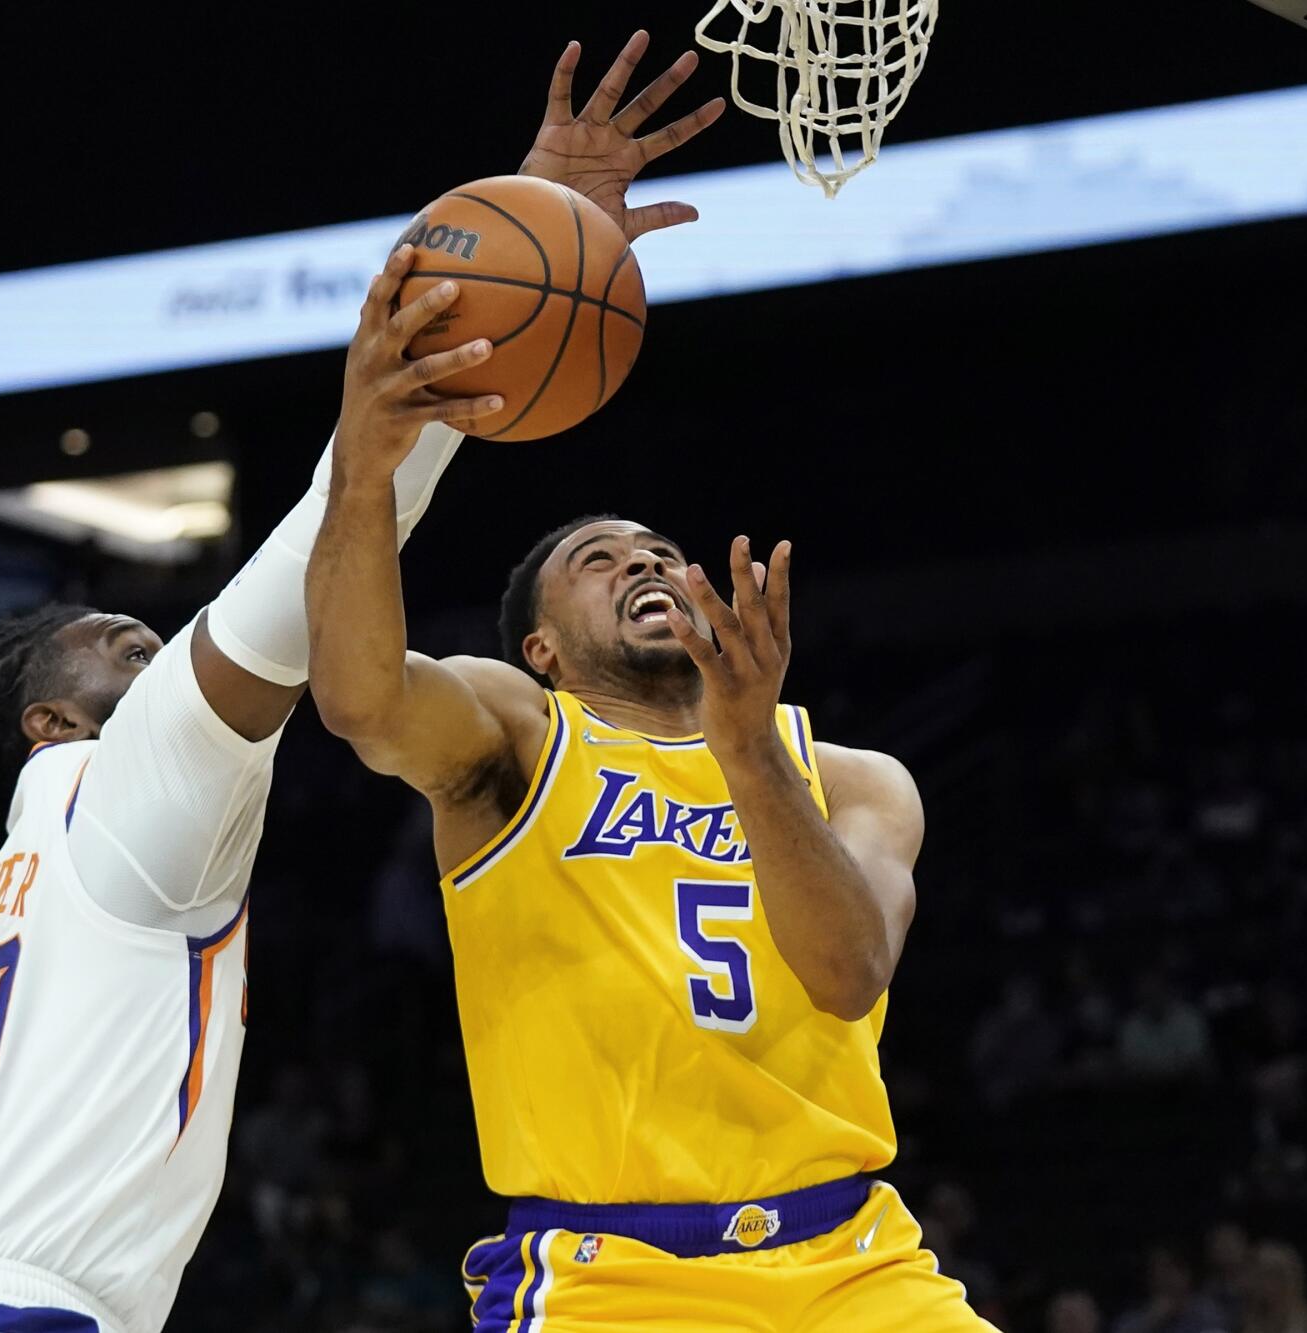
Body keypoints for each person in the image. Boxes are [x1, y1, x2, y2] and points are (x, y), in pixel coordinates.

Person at [0, 32, 720, 1333]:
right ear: (47, 723)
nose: (156, 648)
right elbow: (292, 598)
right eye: (122, 643)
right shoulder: (117, 801)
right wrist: (436, 371)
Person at [305, 110, 980, 1333]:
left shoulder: (852, 776)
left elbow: (844, 974)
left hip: (856, 1267)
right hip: (612, 1278)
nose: (642, 559)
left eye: (658, 549)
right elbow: (356, 698)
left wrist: (742, 746)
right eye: (598, 558)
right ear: (541, 649)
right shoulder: (517, 739)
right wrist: (365, 463)